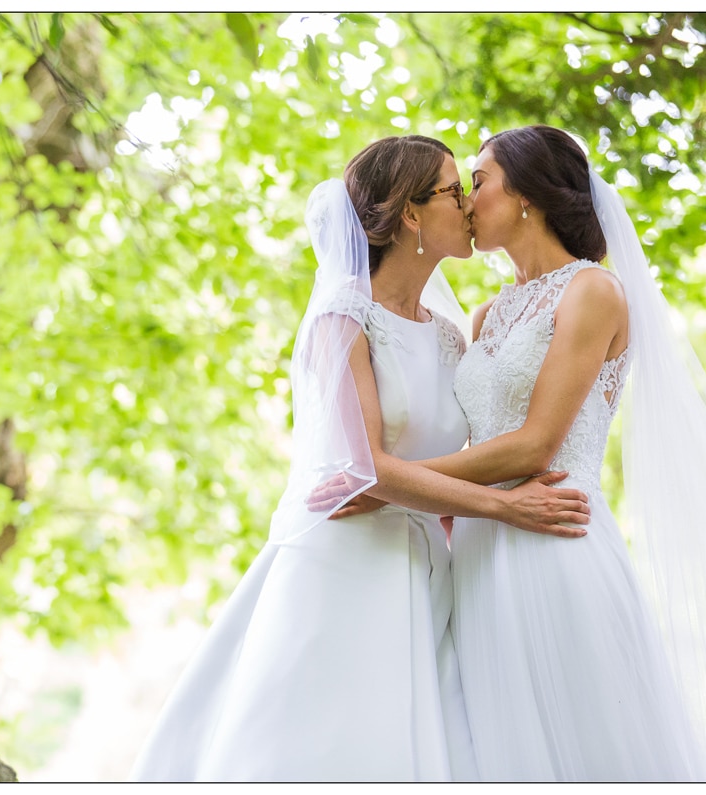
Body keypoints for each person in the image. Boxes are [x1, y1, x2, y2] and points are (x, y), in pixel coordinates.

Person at [315, 125, 706, 781]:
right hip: (479, 555)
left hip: (553, 532)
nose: (467, 201)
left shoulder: (594, 292)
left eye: (479, 183)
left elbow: (536, 443)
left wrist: (385, 481)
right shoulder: (483, 318)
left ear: (528, 198)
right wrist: (415, 494)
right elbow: (472, 438)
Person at [130, 135, 592, 782]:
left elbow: (447, 456)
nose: (466, 204)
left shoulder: (451, 337)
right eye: (453, 190)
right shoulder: (342, 320)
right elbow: (362, 470)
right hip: (344, 563)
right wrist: (504, 505)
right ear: (409, 213)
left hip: (429, 570)